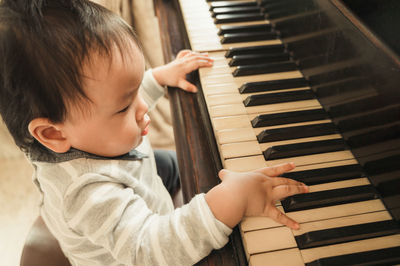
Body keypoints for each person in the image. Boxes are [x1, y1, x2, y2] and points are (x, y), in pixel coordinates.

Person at [0, 0, 309, 265]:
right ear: (53, 135)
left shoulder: (81, 131)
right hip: (130, 253)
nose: (143, 108)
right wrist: (231, 200)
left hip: (137, 171)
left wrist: (157, 78)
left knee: (176, 164)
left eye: (136, 91)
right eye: (123, 108)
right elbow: (153, 249)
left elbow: (112, 93)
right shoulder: (90, 196)